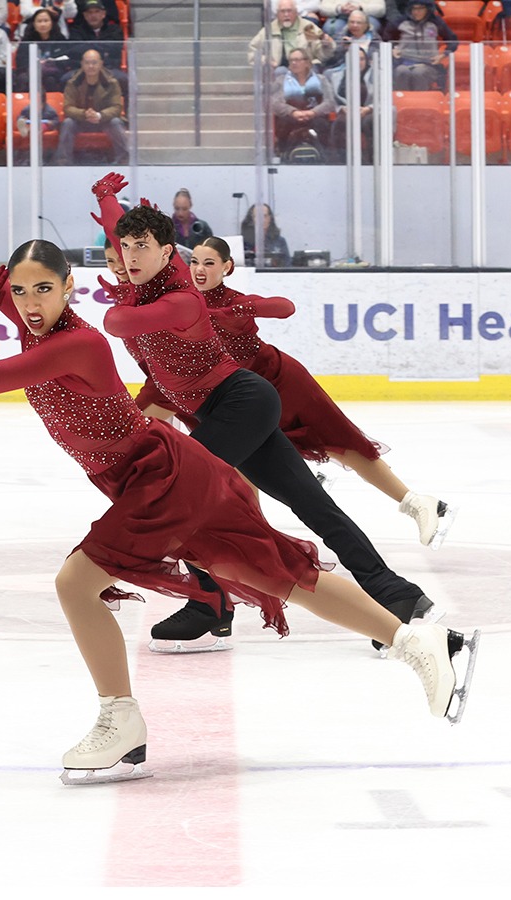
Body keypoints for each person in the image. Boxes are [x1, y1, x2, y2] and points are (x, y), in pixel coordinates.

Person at [0, 225, 477, 781]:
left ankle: (120, 719)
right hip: (161, 475)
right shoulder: (37, 323)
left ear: (69, 285)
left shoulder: (78, 342)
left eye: (42, 288)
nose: (28, 303)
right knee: (281, 576)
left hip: (158, 478)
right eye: (19, 292)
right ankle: (417, 641)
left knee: (76, 584)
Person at [89, 190, 448, 652]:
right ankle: (398, 594)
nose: (129, 256)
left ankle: (211, 604)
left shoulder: (179, 297)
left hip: (241, 401)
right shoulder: (146, 279)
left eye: (141, 247)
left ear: (166, 253)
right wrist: (107, 199)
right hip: (227, 409)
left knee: (176, 497)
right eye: (123, 248)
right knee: (313, 505)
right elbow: (124, 238)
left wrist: (119, 300)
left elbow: (116, 324)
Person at [181, 235, 455, 546]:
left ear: (227, 267)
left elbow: (285, 307)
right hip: (239, 395)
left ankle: (417, 503)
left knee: (342, 444)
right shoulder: (183, 301)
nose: (199, 269)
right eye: (195, 262)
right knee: (243, 461)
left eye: (209, 263)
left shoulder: (233, 301)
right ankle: (260, 540)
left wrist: (231, 312)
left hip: (282, 381)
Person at [57, 49, 129, 165]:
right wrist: (84, 114)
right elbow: (68, 107)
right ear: (82, 64)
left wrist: (100, 115)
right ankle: (63, 161)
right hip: (80, 120)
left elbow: (116, 107)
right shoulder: (73, 82)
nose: (91, 66)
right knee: (67, 123)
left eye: (94, 63)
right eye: (87, 63)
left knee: (116, 122)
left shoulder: (112, 83)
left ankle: (124, 159)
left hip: (104, 120)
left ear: (101, 64)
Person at [272, 48, 335, 160]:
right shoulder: (281, 81)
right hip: (290, 117)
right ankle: (285, 157)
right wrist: (293, 112)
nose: (293, 63)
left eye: (297, 60)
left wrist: (313, 112)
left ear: (307, 62)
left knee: (322, 125)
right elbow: (275, 103)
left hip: (315, 116)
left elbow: (330, 102)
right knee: (283, 124)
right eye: (291, 60)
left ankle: (323, 158)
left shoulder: (321, 80)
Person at [392, 0, 458, 91]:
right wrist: (393, 48)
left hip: (428, 64)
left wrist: (442, 55)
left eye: (420, 8)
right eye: (414, 9)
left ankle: (420, 98)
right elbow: (386, 38)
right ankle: (401, 98)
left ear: (428, 9)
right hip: (403, 62)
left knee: (419, 73)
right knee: (401, 71)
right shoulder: (401, 21)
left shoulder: (436, 22)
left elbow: (453, 41)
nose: (416, 12)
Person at [250, 0, 335, 70]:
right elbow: (253, 50)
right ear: (277, 14)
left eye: (289, 11)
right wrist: (266, 61)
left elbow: (323, 55)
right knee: (280, 71)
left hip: (305, 68)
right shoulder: (269, 30)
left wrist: (326, 45)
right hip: (281, 70)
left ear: (296, 12)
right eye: (282, 11)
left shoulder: (309, 27)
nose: (286, 15)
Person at [16, 6, 74, 92]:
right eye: (39, 21)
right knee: (23, 78)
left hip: (54, 73)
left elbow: (66, 59)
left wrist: (50, 64)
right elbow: (21, 61)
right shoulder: (27, 40)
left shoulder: (59, 39)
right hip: (31, 73)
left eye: (46, 21)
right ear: (34, 24)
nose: (43, 24)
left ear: (52, 23)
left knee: (51, 79)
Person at [69, 0, 124, 72]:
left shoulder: (114, 29)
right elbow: (75, 50)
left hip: (109, 68)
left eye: (97, 11)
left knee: (121, 77)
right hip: (81, 69)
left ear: (103, 14)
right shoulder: (76, 31)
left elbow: (115, 48)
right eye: (89, 12)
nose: (93, 15)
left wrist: (88, 46)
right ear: (84, 15)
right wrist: (103, 48)